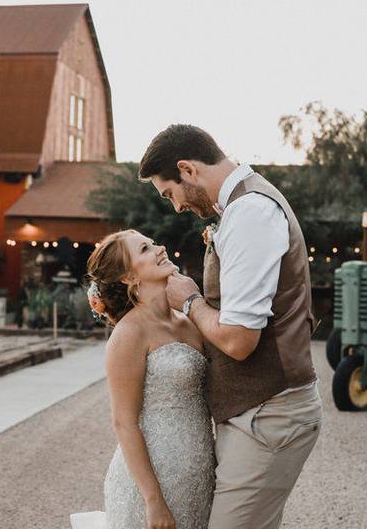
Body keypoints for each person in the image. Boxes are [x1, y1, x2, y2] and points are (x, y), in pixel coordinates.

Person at [140, 124, 322, 529]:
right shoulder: (241, 208)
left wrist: (189, 300)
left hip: (269, 414)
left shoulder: (250, 213)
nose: (176, 208)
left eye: (169, 194)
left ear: (187, 169)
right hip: (256, 412)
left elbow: (239, 340)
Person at [71, 229, 215, 529]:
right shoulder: (129, 333)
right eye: (146, 249)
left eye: (153, 243)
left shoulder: (188, 321)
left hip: (200, 473)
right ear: (129, 277)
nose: (160, 248)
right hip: (153, 482)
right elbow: (124, 422)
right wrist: (153, 500)